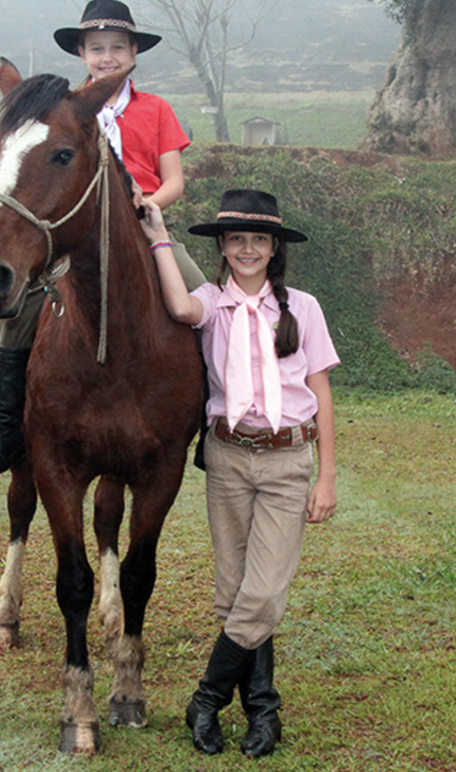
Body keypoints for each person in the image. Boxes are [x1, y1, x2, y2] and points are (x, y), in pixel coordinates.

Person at [141, 189, 339, 759]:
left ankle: (206, 697)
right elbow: (178, 307)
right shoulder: (210, 302)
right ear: (223, 248)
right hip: (228, 457)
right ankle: (263, 708)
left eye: (258, 239)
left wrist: (326, 477)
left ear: (274, 247)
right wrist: (158, 233)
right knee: (234, 595)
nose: (247, 249)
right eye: (236, 240)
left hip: (286, 459)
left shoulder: (301, 307)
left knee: (264, 591)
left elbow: (321, 394)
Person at [0, 0, 206, 476]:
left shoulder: (157, 109)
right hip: (74, 237)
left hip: (145, 229)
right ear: (81, 54)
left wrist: (151, 207)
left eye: (117, 47)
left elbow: (175, 179)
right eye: (97, 48)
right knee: (18, 313)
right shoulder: (62, 111)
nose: (107, 57)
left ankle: (208, 419)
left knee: (206, 300)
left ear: (134, 54)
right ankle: (4, 430)